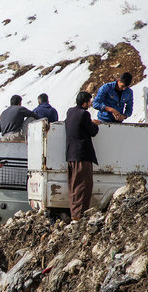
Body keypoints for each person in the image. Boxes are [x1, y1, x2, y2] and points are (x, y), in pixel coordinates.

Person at [65, 91, 101, 220]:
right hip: (82, 155)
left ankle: (75, 214)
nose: (90, 104)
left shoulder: (70, 112)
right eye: (89, 101)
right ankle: (79, 216)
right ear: (85, 102)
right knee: (83, 186)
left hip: (71, 155)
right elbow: (92, 131)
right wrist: (95, 124)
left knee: (74, 187)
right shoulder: (84, 114)